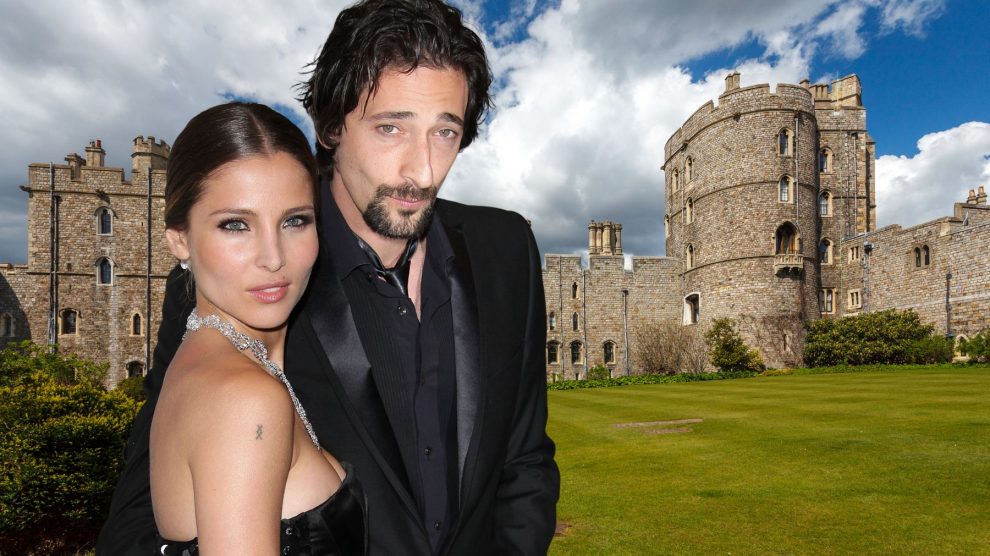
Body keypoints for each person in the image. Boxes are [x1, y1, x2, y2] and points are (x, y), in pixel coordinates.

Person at [98, 0, 559, 553]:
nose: (422, 170)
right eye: (390, 127)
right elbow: (140, 513)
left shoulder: (505, 247)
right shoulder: (243, 280)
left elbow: (525, 459)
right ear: (331, 126)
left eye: (445, 132)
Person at [150, 102, 366, 554]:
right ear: (179, 240)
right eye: (235, 225)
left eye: (295, 221)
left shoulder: (202, 363)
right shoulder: (244, 398)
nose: (273, 257)